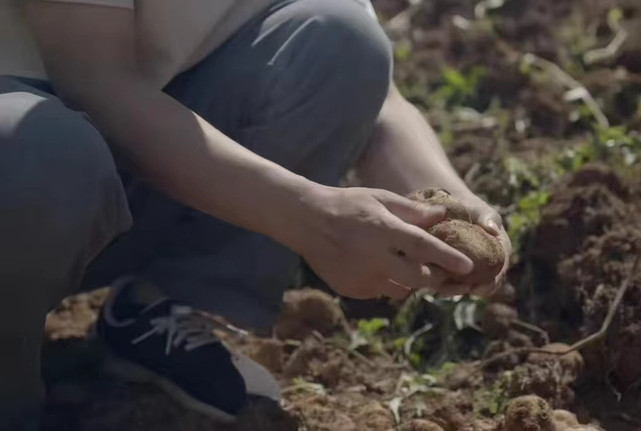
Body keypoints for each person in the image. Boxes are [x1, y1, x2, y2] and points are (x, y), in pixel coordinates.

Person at [0, 0, 512, 428]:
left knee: (339, 40)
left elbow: (382, 105)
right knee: (46, 156)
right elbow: (96, 83)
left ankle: (155, 311)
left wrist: (450, 205)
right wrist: (312, 217)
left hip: (127, 168)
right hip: (28, 161)